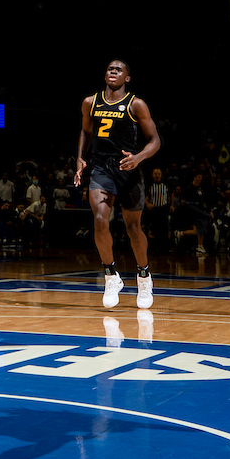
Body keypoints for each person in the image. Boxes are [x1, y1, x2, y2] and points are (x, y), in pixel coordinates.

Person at [74, 59, 162, 309]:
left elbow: (155, 140)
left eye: (119, 70)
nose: (113, 72)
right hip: (101, 168)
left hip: (129, 169)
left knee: (133, 228)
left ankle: (144, 276)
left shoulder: (136, 104)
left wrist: (139, 157)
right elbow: (86, 132)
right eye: (110, 69)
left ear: (127, 78)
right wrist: (80, 157)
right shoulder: (90, 102)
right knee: (100, 219)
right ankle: (111, 275)